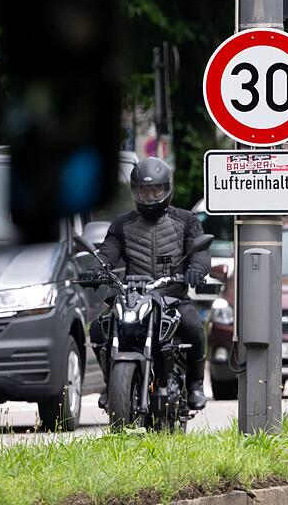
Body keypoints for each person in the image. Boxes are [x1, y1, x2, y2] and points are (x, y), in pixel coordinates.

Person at [79, 157, 210, 410]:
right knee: (98, 328)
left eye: (155, 190)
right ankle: (112, 383)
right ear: (135, 191)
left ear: (166, 189)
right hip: (133, 296)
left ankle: (195, 385)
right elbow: (107, 252)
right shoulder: (122, 224)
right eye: (144, 191)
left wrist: (196, 269)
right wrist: (95, 270)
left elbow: (200, 252)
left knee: (194, 325)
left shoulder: (186, 220)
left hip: (173, 297)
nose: (150, 196)